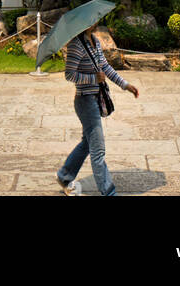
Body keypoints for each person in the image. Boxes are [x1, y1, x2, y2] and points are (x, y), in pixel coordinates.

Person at [57, 24, 139, 197]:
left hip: (96, 98)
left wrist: (126, 85)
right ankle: (109, 192)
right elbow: (69, 74)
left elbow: (105, 68)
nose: (96, 23)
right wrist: (92, 78)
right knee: (98, 150)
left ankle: (64, 176)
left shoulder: (94, 41)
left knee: (88, 144)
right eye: (93, 21)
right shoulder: (76, 45)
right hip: (85, 102)